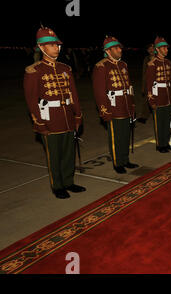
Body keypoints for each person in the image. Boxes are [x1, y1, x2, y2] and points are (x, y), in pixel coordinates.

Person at [23, 27, 86, 199]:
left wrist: (78, 114)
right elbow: (31, 101)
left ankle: (68, 181)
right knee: (54, 155)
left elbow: (73, 94)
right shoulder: (34, 71)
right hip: (50, 119)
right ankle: (57, 185)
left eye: (57, 45)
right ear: (42, 48)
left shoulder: (65, 68)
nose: (56, 48)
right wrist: (39, 123)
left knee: (68, 153)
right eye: (51, 45)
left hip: (67, 116)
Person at [92, 36, 138, 174]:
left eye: (120, 47)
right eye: (116, 48)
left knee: (125, 135)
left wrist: (132, 106)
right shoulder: (101, 67)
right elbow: (99, 92)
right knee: (116, 136)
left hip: (125, 105)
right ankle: (118, 163)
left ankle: (125, 159)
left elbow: (129, 87)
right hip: (113, 107)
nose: (120, 50)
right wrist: (104, 111)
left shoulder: (123, 65)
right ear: (108, 50)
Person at [146, 37, 171, 153]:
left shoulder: (168, 62)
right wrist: (151, 100)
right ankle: (160, 144)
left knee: (167, 122)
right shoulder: (152, 64)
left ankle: (166, 142)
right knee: (159, 123)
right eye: (164, 47)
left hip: (167, 97)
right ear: (157, 49)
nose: (166, 49)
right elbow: (149, 84)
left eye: (166, 47)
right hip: (158, 98)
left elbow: (170, 82)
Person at [139, 43, 155, 122]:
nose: (151, 50)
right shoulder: (146, 59)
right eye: (149, 49)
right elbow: (144, 73)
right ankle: (144, 116)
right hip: (148, 82)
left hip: (157, 83)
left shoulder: (159, 59)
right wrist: (143, 87)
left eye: (153, 48)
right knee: (146, 100)